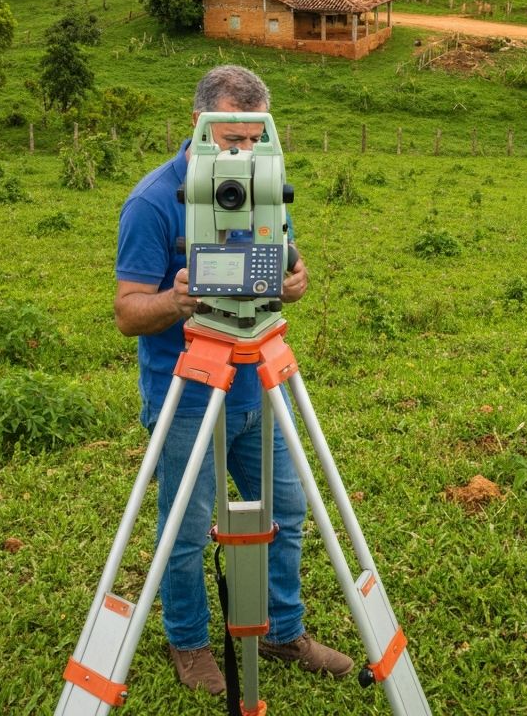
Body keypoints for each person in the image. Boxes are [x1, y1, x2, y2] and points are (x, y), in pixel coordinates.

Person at [113, 64, 353, 695]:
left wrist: (296, 284)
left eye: (253, 140)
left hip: (256, 381)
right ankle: (189, 643)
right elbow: (127, 312)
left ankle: (280, 630)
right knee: (186, 531)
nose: (242, 154)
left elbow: (287, 265)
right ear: (200, 126)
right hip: (187, 391)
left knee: (289, 511)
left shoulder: (265, 184)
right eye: (231, 140)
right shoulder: (152, 200)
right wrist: (178, 299)